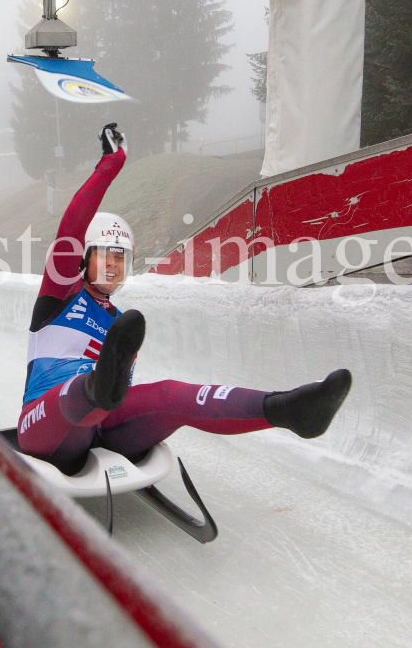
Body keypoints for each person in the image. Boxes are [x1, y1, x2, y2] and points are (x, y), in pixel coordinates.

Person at [18, 123, 352, 474]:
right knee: (78, 395)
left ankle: (287, 409)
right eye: (105, 255)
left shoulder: (121, 323)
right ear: (83, 258)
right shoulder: (59, 295)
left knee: (170, 394)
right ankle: (95, 388)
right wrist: (111, 164)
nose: (114, 266)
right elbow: (72, 225)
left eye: (121, 258)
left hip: (108, 430)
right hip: (46, 423)